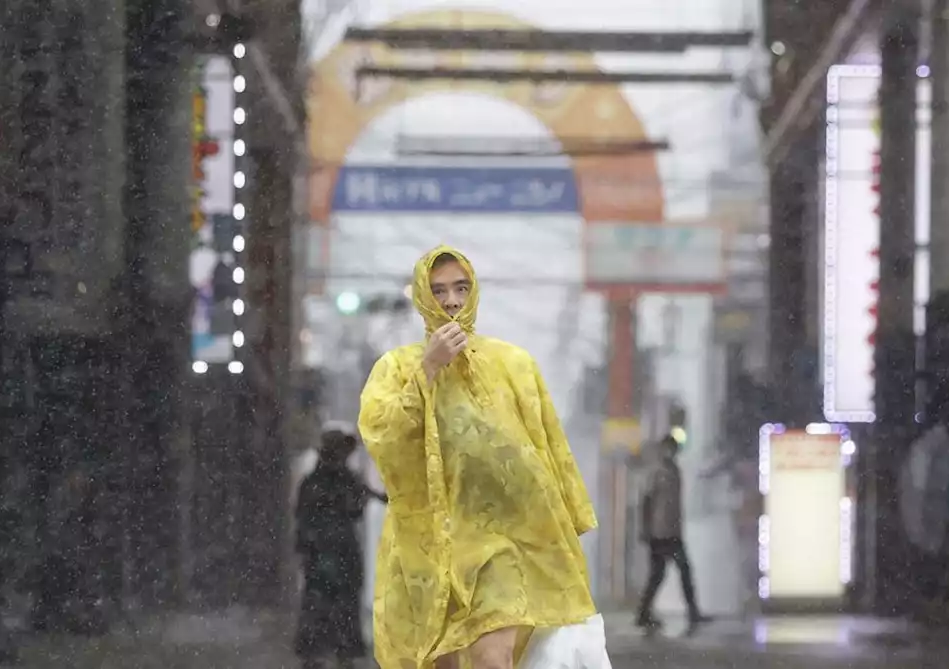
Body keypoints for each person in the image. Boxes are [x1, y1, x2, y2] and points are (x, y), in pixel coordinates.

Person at [358, 246, 599, 669]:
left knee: (494, 655)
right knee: (440, 661)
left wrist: (563, 519)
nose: (451, 300)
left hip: (505, 539)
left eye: (460, 288)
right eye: (438, 291)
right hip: (429, 544)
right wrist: (428, 370)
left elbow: (547, 445)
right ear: (421, 297)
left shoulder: (514, 365)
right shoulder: (396, 368)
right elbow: (383, 434)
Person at [294, 427, 388, 669]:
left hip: (337, 555)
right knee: (325, 609)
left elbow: (355, 507)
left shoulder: (336, 480)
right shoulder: (322, 482)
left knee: (334, 609)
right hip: (327, 555)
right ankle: (323, 654)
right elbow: (309, 516)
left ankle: (331, 654)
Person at [636, 435, 707, 634]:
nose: (670, 452)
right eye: (667, 448)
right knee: (670, 572)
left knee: (665, 574)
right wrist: (645, 529)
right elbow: (646, 501)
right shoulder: (656, 472)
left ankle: (644, 613)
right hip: (659, 533)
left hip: (673, 531)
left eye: (673, 449)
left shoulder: (675, 471)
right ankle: (646, 613)